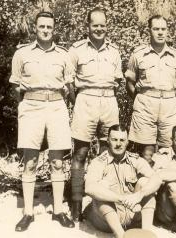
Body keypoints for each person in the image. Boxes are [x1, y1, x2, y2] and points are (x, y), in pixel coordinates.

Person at [9, 11, 75, 231]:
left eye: (49, 27)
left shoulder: (64, 55)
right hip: (31, 107)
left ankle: (58, 211)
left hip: (56, 106)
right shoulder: (22, 54)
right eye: (42, 27)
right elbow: (16, 86)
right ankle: (28, 213)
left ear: (54, 29)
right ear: (34, 28)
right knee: (30, 160)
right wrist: (26, 105)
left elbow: (68, 87)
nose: (46, 30)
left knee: (57, 161)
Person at [68, 7, 123, 222]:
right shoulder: (77, 50)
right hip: (85, 101)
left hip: (109, 101)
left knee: (107, 153)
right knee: (80, 153)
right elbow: (69, 82)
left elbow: (117, 83)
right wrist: (79, 102)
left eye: (103, 25)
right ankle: (76, 202)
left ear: (106, 26)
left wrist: (105, 97)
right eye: (95, 25)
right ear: (87, 26)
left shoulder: (114, 51)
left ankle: (100, 202)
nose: (99, 29)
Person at [124, 15, 176, 162]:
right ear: (149, 31)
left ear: (167, 31)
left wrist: (167, 99)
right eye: (156, 29)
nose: (160, 32)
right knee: (146, 152)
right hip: (145, 105)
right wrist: (142, 99)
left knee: (168, 150)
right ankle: (145, 184)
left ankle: (167, 184)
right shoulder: (138, 54)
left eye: (163, 29)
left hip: (169, 106)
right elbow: (129, 83)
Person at [84, 125, 162, 238]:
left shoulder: (135, 159)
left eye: (122, 140)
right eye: (114, 139)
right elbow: (89, 187)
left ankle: (147, 234)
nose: (118, 144)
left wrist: (139, 195)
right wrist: (120, 198)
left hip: (132, 215)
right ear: (108, 141)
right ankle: (120, 236)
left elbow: (157, 179)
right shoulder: (99, 162)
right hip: (106, 222)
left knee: (146, 182)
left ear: (127, 142)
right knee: (101, 186)